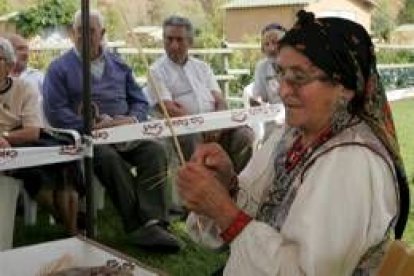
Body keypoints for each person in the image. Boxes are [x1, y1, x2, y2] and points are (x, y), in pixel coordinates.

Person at [177, 11, 409, 275]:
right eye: (281, 73)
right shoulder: (292, 135)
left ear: (344, 86)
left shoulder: (354, 163)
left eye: (299, 77)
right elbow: (246, 223)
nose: (283, 90)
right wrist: (225, 183)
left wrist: (223, 210)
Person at [42, 10, 180, 252]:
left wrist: (131, 118)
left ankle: (154, 221)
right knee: (108, 159)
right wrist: (90, 125)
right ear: (73, 34)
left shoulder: (119, 65)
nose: (85, 36)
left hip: (124, 132)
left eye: (91, 31)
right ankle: (138, 227)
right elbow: (55, 111)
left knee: (155, 150)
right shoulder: (59, 69)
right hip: (89, 137)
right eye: (80, 31)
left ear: (102, 34)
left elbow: (139, 101)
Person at [147, 15, 254, 173]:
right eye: (169, 39)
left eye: (179, 40)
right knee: (191, 137)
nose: (174, 45)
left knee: (245, 135)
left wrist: (216, 125)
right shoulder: (156, 71)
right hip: (185, 129)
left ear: (190, 42)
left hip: (213, 126)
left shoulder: (202, 68)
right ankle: (203, 185)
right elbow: (169, 109)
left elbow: (220, 101)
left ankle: (232, 182)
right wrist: (201, 126)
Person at [0, 37, 79, 234]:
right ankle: (71, 226)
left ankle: (72, 229)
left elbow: (32, 132)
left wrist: (5, 135)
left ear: (9, 65)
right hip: (8, 151)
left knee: (63, 163)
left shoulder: (24, 88)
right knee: (36, 175)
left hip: (25, 143)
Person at [251, 22, 286, 106]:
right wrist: (257, 101)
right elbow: (259, 96)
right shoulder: (262, 67)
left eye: (275, 42)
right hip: (274, 114)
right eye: (267, 44)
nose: (271, 49)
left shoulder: (296, 64)